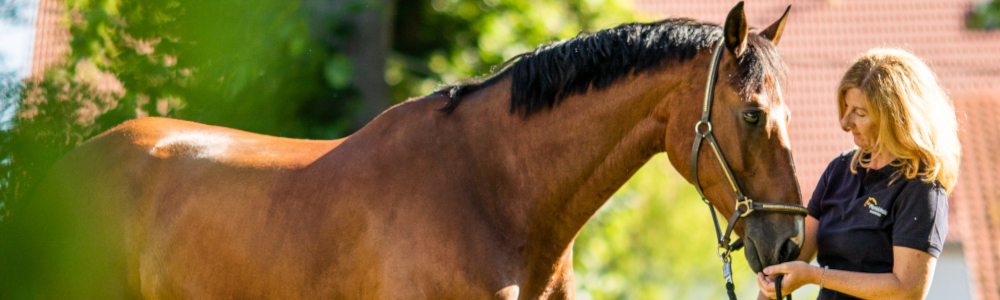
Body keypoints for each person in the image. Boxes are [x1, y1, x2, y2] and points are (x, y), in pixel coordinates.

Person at [756, 48, 961, 299]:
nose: (844, 123)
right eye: (845, 108)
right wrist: (771, 281)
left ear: (897, 118)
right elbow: (795, 255)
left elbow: (908, 289)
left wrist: (814, 276)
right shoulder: (839, 170)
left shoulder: (922, 189)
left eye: (860, 114)